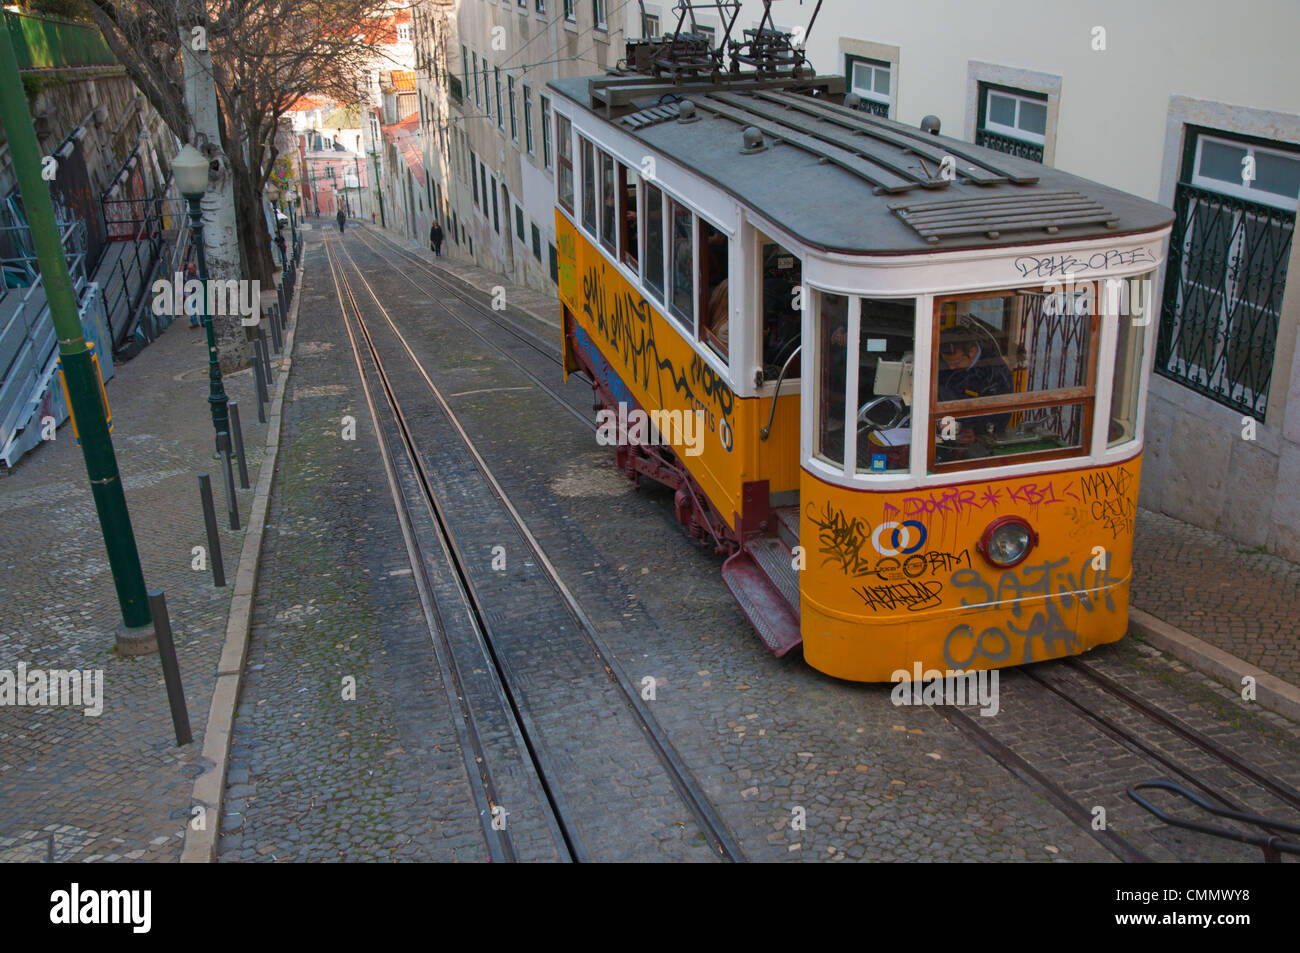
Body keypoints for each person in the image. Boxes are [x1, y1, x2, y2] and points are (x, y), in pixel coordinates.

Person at [936, 315, 1014, 446]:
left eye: (956, 363)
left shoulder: (995, 372)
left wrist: (975, 431)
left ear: (972, 352)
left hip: (976, 436)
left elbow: (1001, 413)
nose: (951, 367)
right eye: (947, 363)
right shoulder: (943, 353)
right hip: (944, 425)